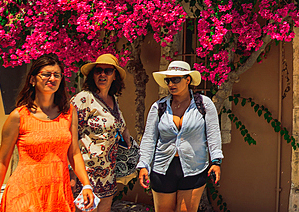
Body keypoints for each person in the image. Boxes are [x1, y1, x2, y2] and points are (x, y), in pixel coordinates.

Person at [0, 54, 96, 211]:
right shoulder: (18, 116)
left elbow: (74, 153)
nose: (52, 78)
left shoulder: (69, 113)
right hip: (24, 193)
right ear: (32, 80)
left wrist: (86, 185)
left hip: (58, 195)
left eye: (56, 75)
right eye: (46, 74)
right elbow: (2, 161)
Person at [138, 61, 223, 212]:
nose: (171, 84)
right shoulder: (159, 107)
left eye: (176, 79)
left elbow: (213, 134)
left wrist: (216, 161)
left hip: (194, 167)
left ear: (187, 80)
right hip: (163, 168)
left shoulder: (203, 104)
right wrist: (143, 164)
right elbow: (149, 138)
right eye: (168, 80)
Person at [73, 54, 133, 212]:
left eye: (108, 71)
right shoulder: (83, 99)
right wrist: (72, 172)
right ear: (92, 75)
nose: (102, 74)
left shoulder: (113, 100)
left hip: (108, 174)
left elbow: (121, 126)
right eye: (98, 70)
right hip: (85, 173)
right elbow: (68, 135)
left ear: (115, 77)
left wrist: (129, 145)